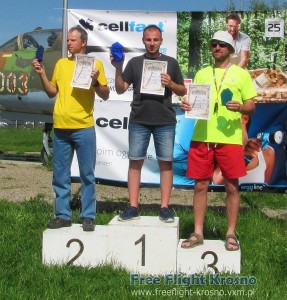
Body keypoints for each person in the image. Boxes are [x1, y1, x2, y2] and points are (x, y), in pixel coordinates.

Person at [179, 31, 257, 250]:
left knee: (232, 187)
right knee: (200, 185)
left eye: (222, 45)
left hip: (229, 139)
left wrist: (241, 107)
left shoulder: (241, 74)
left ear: (231, 49)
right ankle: (197, 232)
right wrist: (187, 105)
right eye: (214, 44)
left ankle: (231, 234)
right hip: (202, 136)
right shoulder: (202, 73)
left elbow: (252, 106)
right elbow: (194, 101)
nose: (217, 48)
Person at [32, 26, 109, 231]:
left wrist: (94, 81)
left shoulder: (95, 64)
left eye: (73, 40)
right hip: (61, 127)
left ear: (83, 43)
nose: (69, 43)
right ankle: (63, 215)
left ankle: (88, 216)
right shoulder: (61, 64)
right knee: (60, 175)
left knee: (87, 175)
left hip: (83, 127)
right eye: (68, 41)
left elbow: (105, 94)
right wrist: (41, 74)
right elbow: (51, 92)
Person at [110, 25, 185, 223]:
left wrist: (171, 84)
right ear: (143, 41)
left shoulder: (171, 63)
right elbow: (120, 89)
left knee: (166, 163)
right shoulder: (135, 63)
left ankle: (165, 208)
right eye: (148, 40)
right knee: (135, 162)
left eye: (156, 40)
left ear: (161, 41)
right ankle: (133, 206)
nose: (152, 43)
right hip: (139, 120)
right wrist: (118, 67)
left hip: (165, 120)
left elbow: (183, 90)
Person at [213, 115, 275, 185]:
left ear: (244, 118)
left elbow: (264, 192)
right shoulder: (217, 148)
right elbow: (216, 184)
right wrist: (239, 157)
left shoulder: (267, 152)